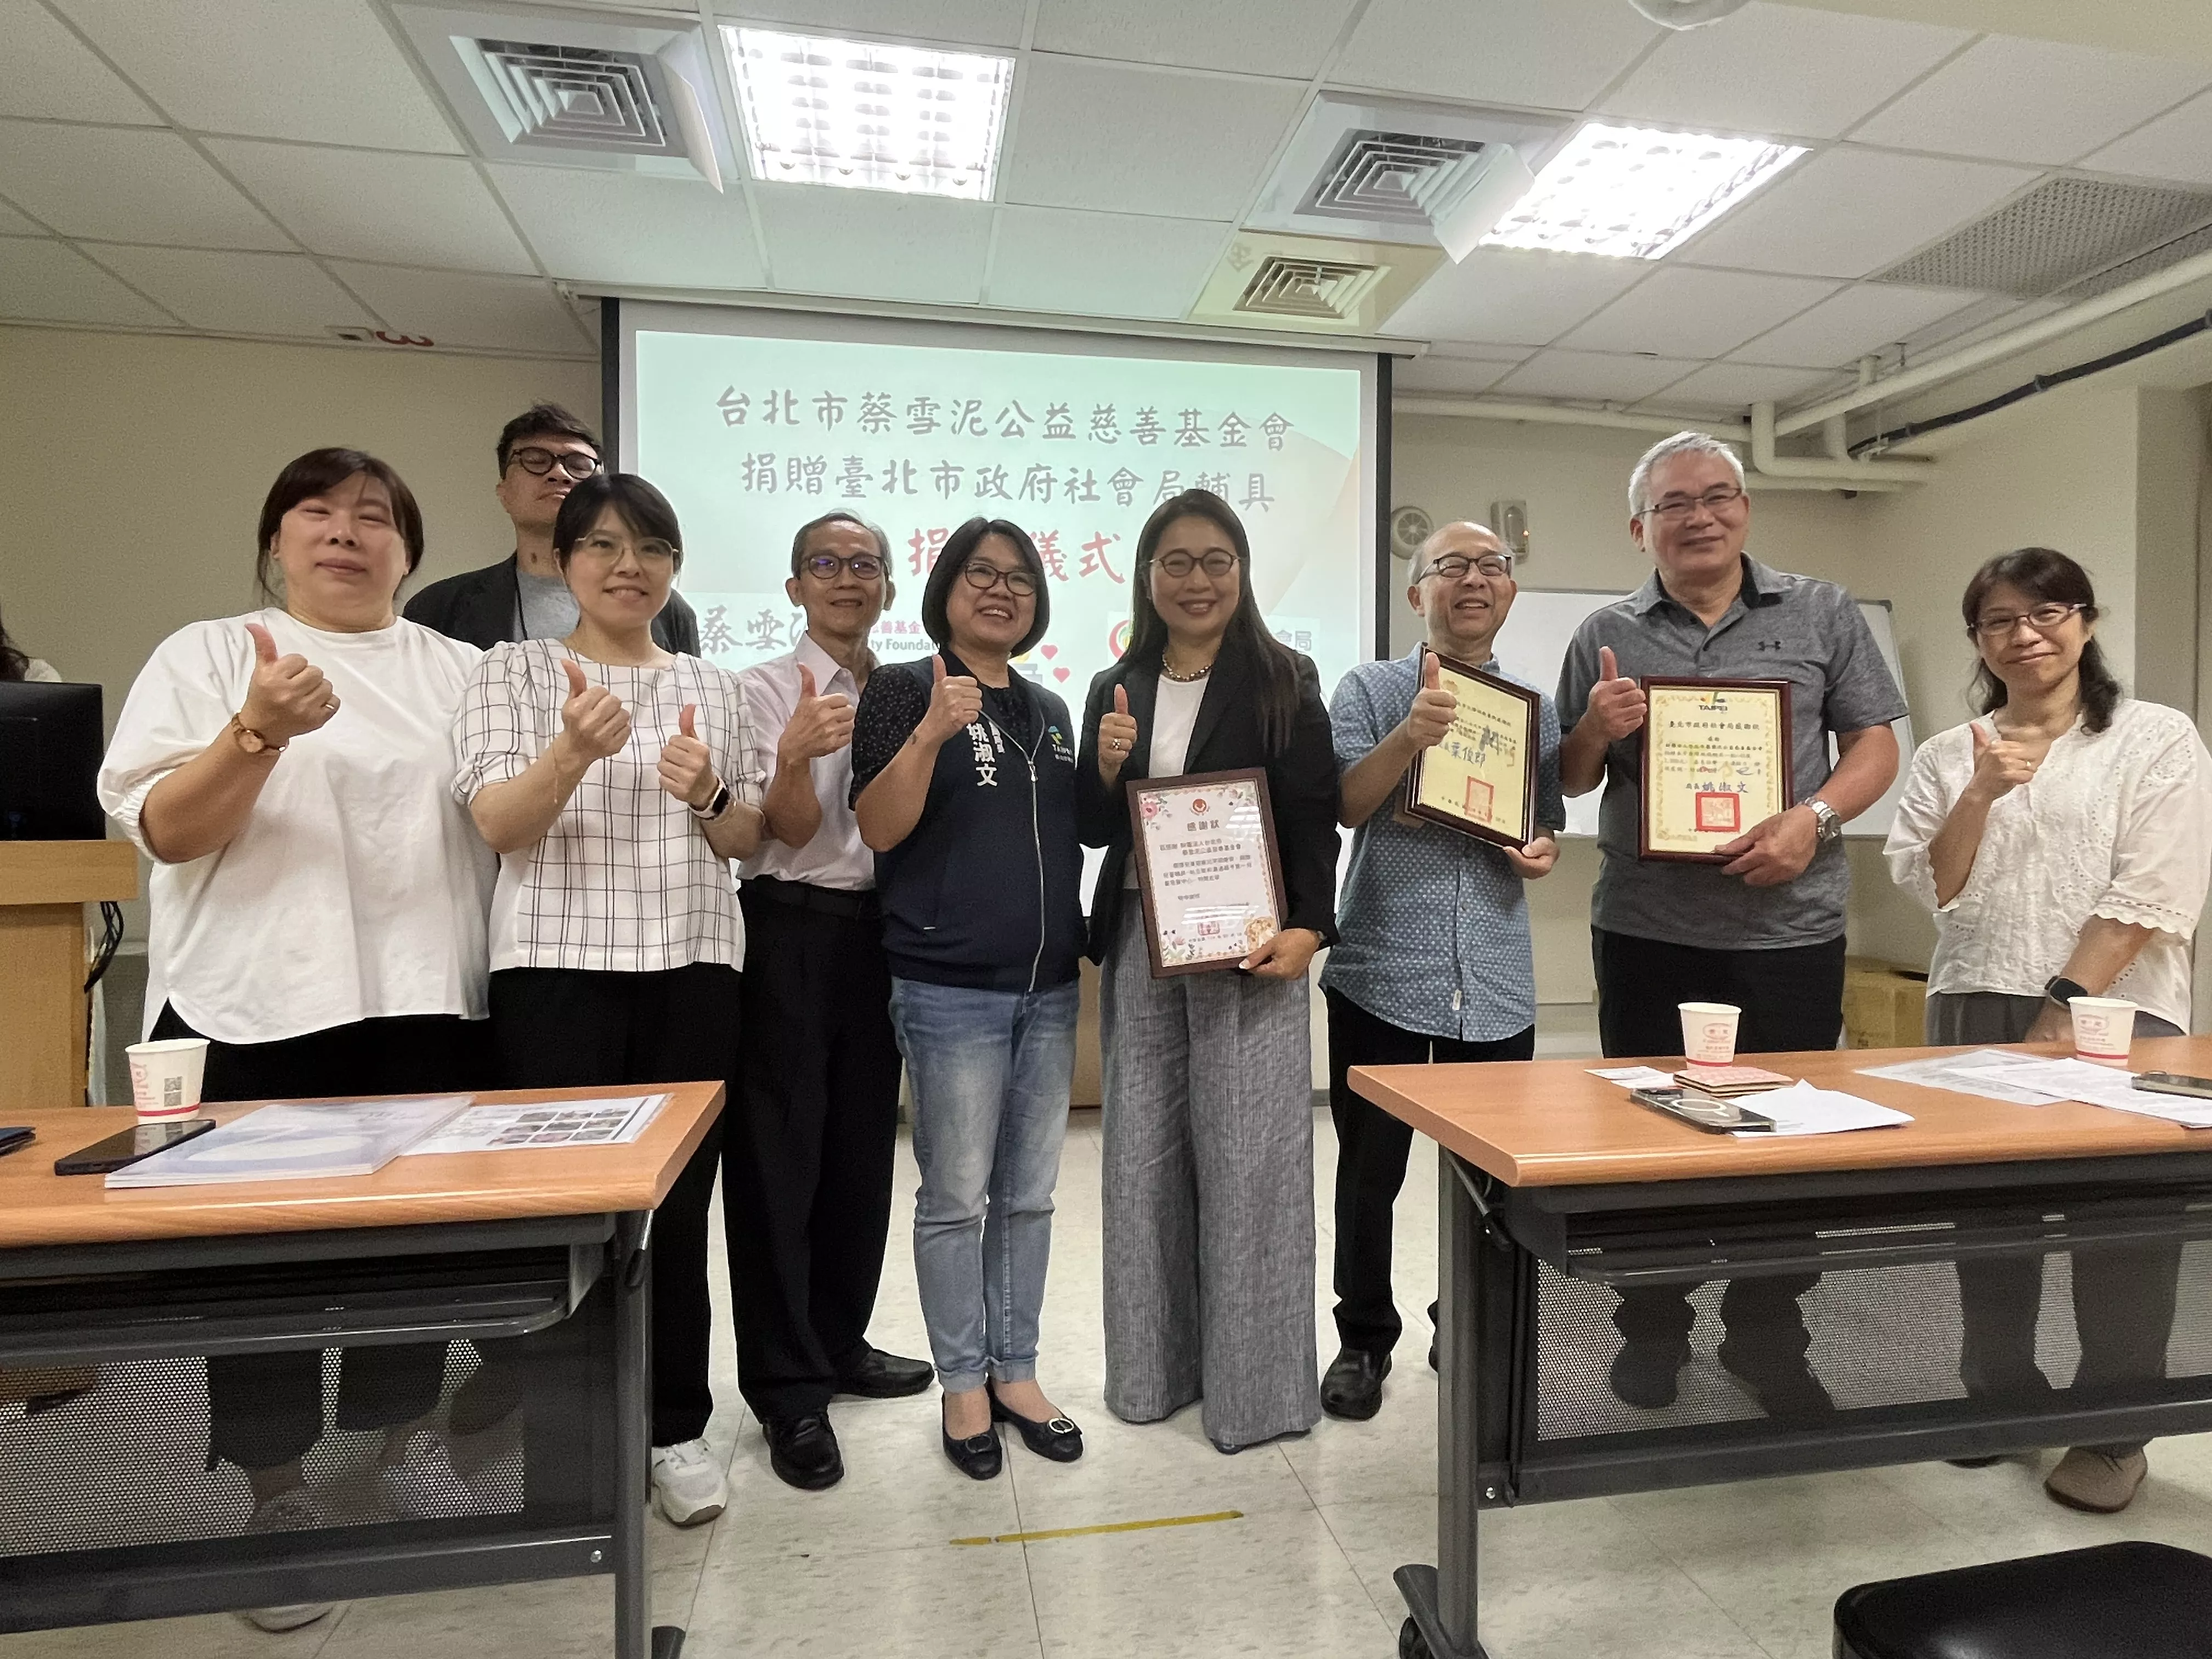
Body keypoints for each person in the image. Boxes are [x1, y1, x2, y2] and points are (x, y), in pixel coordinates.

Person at [97, 449, 498, 1632]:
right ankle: (275, 1492)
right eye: (315, 512)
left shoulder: (459, 669)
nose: (345, 532)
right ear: (276, 542)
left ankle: (387, 1450)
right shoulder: (212, 653)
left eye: (374, 516)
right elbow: (169, 831)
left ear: (408, 553)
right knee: (260, 1267)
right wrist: (256, 733)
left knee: (412, 1259)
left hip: (426, 1003)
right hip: (252, 1005)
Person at [1555, 431, 1906, 1422]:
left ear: (1745, 510)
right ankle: (1652, 1328)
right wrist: (1596, 728)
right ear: (1640, 528)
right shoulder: (1605, 630)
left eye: (1716, 496)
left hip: (1790, 933)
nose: (1698, 516)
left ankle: (1766, 1335)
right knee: (1649, 1143)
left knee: (1785, 1147)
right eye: (1673, 503)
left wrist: (1814, 819)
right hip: (1647, 932)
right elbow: (1571, 778)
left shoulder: (1823, 610)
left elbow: (1875, 745)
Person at [454, 472, 765, 1527]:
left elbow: (746, 838)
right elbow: (499, 824)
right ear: (563, 559)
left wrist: (709, 793)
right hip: (554, 973)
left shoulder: (714, 685)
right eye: (602, 544)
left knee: (678, 1211)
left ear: (674, 565)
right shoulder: (513, 670)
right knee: (562, 1216)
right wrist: (574, 749)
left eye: (652, 548)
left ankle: (675, 1426)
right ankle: (570, 1438)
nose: (628, 565)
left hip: (694, 968)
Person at [1887, 547, 2212, 1514]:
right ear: (1978, 638)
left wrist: (2059, 1009)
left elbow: (2152, 888)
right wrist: (1980, 791)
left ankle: (2113, 1433)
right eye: (1999, 620)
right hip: (1970, 1001)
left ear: (2085, 620)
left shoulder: (2155, 737)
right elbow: (1935, 888)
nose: (2024, 634)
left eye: (2046, 612)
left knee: (2123, 1235)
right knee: (1990, 1228)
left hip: (2120, 1014)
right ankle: (1998, 1400)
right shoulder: (1948, 753)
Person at [1077, 488, 1339, 1455]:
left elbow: (1313, 814)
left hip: (1253, 946)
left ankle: (1256, 1395)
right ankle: (1152, 1375)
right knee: (1141, 1160)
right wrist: (1105, 770)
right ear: (1147, 576)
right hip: (1144, 942)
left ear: (1242, 572)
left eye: (1216, 560)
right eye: (1176, 562)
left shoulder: (1283, 676)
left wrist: (1311, 929)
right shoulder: (1117, 682)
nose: (1197, 579)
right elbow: (1093, 828)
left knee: (1250, 1164)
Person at [849, 517, 1085, 1481]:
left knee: (1028, 1197)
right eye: (981, 574)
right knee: (955, 1198)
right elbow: (877, 825)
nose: (1001, 590)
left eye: (1020, 578)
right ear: (945, 588)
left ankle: (1016, 1372)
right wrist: (930, 734)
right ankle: (962, 1383)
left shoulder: (1051, 707)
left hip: (1050, 987)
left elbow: (1074, 830)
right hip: (948, 988)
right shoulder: (903, 689)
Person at [1319, 521, 1563, 1421]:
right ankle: (1362, 1337)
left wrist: (1539, 849)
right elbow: (1345, 803)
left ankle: (1462, 1318)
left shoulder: (1530, 708)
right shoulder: (1370, 687)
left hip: (1495, 977)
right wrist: (1408, 738)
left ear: (1509, 591)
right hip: (1381, 968)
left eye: (1491, 567)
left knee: (1486, 1179)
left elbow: (1541, 821)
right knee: (1369, 1171)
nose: (1473, 580)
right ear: (1416, 590)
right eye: (1451, 566)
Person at [726, 511, 933, 1493]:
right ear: (794, 585)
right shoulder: (760, 689)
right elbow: (783, 830)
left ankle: (839, 1342)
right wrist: (794, 754)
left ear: (889, 587)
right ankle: (786, 1387)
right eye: (826, 563)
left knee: (859, 1154)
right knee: (779, 1159)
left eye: (865, 565)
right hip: (789, 928)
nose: (847, 578)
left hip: (880, 936)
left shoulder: (907, 691)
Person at [405, 403, 700, 654]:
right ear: (504, 492)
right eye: (535, 461)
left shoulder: (668, 611)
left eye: (579, 465)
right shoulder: (441, 607)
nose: (559, 474)